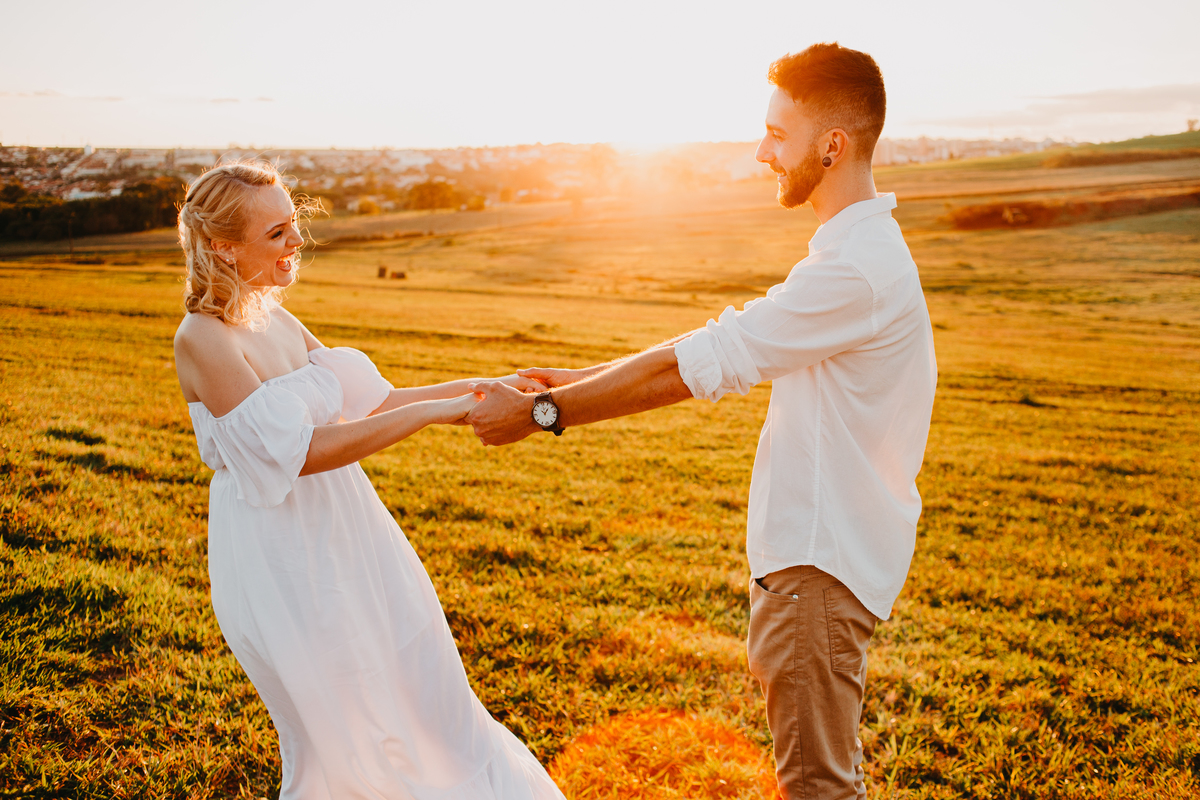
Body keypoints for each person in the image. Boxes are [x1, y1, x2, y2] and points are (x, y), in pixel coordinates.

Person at [466, 43, 937, 800]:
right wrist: (573, 378)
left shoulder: (854, 268)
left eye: (777, 135)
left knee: (818, 787)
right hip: (817, 566)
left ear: (832, 145)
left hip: (819, 571)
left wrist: (543, 413)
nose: (762, 152)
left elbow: (695, 368)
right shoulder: (855, 252)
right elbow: (706, 344)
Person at [173, 161, 564, 800]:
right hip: (281, 551)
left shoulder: (274, 317)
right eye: (276, 233)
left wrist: (488, 383)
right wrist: (435, 413)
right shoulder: (203, 340)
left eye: (293, 224)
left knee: (423, 689)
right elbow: (299, 454)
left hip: (354, 530)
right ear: (224, 246)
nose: (296, 242)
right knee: (349, 726)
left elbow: (372, 401)